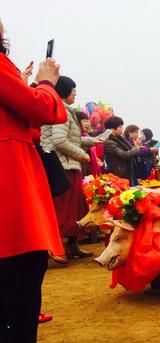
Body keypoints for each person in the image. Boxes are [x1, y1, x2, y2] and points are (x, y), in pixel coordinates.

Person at [0, 19, 68, 343]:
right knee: (25, 259)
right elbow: (38, 109)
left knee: (10, 261)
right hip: (9, 166)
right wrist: (45, 82)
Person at [41, 76, 102, 261]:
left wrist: (93, 140)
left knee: (76, 207)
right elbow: (60, 141)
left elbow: (71, 138)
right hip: (62, 165)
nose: (75, 93)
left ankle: (72, 245)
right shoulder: (61, 111)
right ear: (65, 91)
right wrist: (81, 154)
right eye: (73, 90)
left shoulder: (65, 110)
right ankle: (54, 247)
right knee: (63, 209)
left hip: (69, 164)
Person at [103, 116, 156, 183]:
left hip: (128, 172)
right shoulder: (109, 142)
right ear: (112, 129)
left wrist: (138, 148)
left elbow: (131, 151)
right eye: (120, 127)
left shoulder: (120, 139)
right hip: (120, 174)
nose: (122, 129)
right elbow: (123, 154)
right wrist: (136, 148)